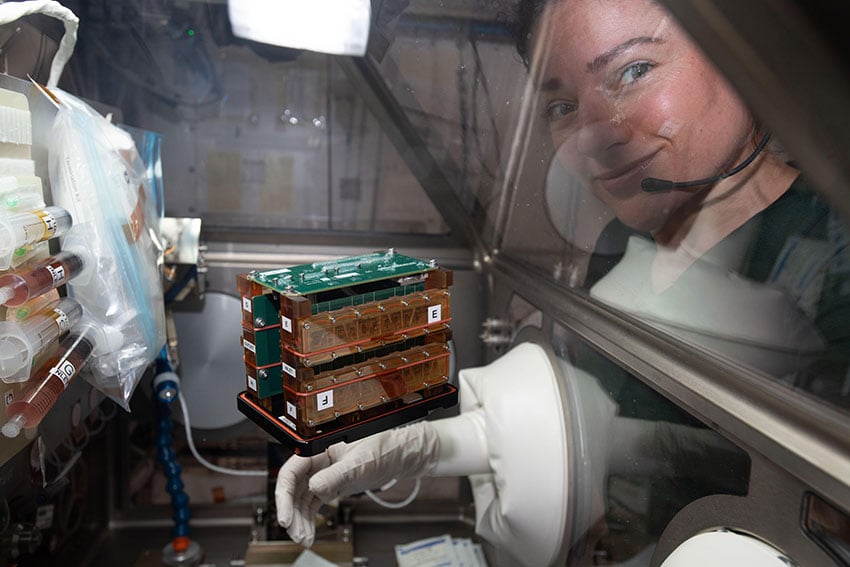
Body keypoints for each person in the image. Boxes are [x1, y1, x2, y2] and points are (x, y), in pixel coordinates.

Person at [276, 0, 849, 563]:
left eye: (633, 71)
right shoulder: (621, 244)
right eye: (562, 106)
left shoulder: (828, 251)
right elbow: (589, 423)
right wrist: (424, 447)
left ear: (743, 57)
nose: (592, 136)